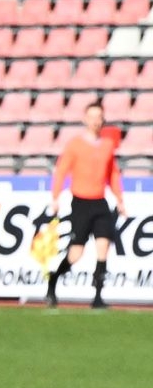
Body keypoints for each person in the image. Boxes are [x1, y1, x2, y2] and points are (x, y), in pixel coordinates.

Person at [45, 101, 126, 309]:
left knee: (103, 246)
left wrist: (119, 199)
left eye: (99, 117)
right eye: (92, 117)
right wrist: (55, 198)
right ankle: (53, 280)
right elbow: (62, 171)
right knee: (76, 253)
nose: (96, 121)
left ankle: (98, 297)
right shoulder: (75, 145)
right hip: (80, 202)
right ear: (85, 119)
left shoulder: (108, 145)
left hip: (100, 202)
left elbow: (112, 173)